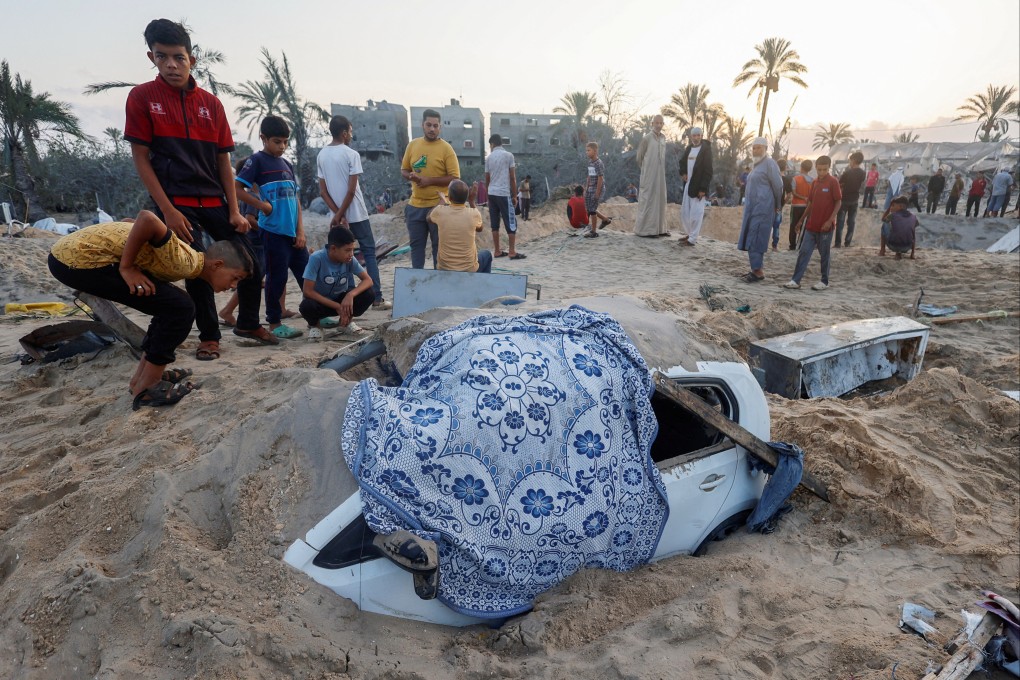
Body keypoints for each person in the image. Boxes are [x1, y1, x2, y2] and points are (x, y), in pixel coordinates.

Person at [124, 18, 273, 358]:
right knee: (198, 268)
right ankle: (210, 337)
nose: (171, 65)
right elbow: (141, 159)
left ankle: (248, 322)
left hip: (214, 200)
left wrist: (234, 210)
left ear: (192, 58)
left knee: (252, 265)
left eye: (179, 57)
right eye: (162, 57)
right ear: (152, 58)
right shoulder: (143, 97)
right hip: (174, 201)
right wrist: (169, 210)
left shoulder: (211, 104)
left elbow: (224, 162)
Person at [47, 211, 252, 408]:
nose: (233, 286)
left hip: (66, 255)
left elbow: (129, 222)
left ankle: (142, 379)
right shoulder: (184, 261)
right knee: (181, 309)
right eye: (235, 278)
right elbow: (146, 218)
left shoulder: (186, 257)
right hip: (77, 261)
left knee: (172, 306)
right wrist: (126, 267)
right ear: (217, 265)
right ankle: (147, 386)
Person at [236, 116, 308, 340]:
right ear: (263, 139)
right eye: (277, 142)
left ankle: (316, 315)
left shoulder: (287, 164)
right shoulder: (256, 161)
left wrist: (301, 230)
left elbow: (295, 198)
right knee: (277, 278)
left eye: (286, 142)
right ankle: (275, 322)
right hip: (273, 232)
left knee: (307, 274)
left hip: (293, 231)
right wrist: (262, 206)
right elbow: (237, 188)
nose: (282, 147)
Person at [317, 115, 391, 312]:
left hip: (336, 216)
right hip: (356, 213)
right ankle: (377, 298)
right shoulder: (351, 155)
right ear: (344, 133)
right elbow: (351, 190)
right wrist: (343, 213)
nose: (351, 135)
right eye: (350, 131)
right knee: (369, 252)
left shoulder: (322, 155)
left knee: (342, 255)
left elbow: (323, 191)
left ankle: (341, 296)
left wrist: (337, 214)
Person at [401, 109, 459, 268]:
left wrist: (429, 181)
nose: (432, 129)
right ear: (422, 125)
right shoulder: (412, 145)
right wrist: (411, 176)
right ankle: (418, 284)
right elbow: (404, 169)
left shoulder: (447, 149)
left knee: (438, 249)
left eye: (435, 126)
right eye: (429, 125)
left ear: (440, 127)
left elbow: (455, 178)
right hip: (415, 207)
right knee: (416, 249)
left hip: (438, 206)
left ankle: (438, 285)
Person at [300, 226, 374, 342]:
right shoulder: (317, 258)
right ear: (333, 249)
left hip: (341, 300)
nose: (351, 254)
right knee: (306, 306)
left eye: (352, 250)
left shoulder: (350, 259)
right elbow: (307, 291)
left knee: (369, 293)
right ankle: (316, 326)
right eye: (347, 250)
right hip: (322, 303)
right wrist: (337, 307)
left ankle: (346, 323)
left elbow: (368, 280)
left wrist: (350, 295)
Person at [784, 155, 842, 291]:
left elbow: (838, 202)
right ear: (815, 168)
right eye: (819, 170)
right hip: (811, 226)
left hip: (825, 227)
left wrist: (830, 220)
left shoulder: (833, 182)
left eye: (825, 170)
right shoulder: (815, 182)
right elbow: (810, 203)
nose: (822, 172)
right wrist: (801, 220)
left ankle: (824, 281)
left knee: (824, 254)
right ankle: (795, 280)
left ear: (829, 168)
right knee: (803, 252)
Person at [736, 137, 783, 282]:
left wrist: (777, 206)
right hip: (752, 208)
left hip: (763, 207)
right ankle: (755, 269)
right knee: (752, 237)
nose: (756, 150)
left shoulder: (770, 163)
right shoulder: (756, 165)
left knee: (757, 238)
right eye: (754, 147)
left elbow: (778, 186)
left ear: (765, 149)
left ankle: (758, 272)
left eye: (759, 147)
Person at [430, 179, 492, 273]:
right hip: (468, 269)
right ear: (466, 197)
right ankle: (481, 285)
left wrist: (442, 200)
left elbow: (428, 217)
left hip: (445, 268)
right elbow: (480, 228)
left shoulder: (440, 211)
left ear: (449, 198)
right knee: (487, 255)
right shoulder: (473, 213)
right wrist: (471, 201)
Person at [484, 133, 524, 259]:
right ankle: (512, 251)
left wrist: (487, 193)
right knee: (510, 221)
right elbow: (512, 177)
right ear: (501, 143)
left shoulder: (489, 158)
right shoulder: (508, 156)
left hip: (492, 193)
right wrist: (514, 196)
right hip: (503, 193)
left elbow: (487, 178)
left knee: (495, 223)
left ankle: (497, 251)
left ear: (492, 144)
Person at [677, 126, 714, 246]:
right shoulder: (689, 148)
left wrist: (703, 189)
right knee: (685, 212)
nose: (696, 137)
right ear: (691, 137)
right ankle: (689, 234)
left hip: (699, 187)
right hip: (688, 185)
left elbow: (708, 171)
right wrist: (683, 173)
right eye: (694, 135)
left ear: (701, 136)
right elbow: (682, 162)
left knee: (696, 214)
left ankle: (693, 239)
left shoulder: (706, 150)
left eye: (698, 135)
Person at [634, 114, 668, 237]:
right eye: (656, 123)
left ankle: (660, 229)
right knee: (648, 199)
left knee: (660, 198)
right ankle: (645, 231)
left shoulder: (663, 138)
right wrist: (646, 170)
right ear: (652, 124)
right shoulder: (647, 138)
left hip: (660, 175)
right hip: (649, 175)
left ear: (663, 124)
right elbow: (639, 157)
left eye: (661, 123)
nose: (658, 125)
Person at [835, 151, 865, 248]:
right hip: (855, 200)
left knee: (840, 222)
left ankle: (838, 243)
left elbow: (840, 184)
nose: (849, 162)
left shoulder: (847, 173)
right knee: (851, 222)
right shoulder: (863, 173)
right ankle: (847, 242)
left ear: (854, 160)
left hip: (844, 200)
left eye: (850, 160)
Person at [582, 142, 612, 238]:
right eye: (586, 150)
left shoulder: (598, 163)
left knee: (592, 210)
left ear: (595, 151)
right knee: (590, 208)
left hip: (597, 188)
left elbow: (600, 178)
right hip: (590, 188)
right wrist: (586, 188)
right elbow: (589, 176)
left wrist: (597, 192)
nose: (587, 152)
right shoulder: (590, 162)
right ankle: (605, 220)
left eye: (588, 150)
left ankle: (594, 232)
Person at [789, 159, 813, 250]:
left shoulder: (795, 179)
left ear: (801, 167)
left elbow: (794, 193)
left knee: (793, 225)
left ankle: (792, 245)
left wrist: (802, 198)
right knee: (804, 226)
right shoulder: (812, 181)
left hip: (796, 206)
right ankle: (801, 244)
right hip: (807, 207)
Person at [770, 159, 792, 252]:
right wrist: (784, 202)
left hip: (769, 205)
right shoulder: (786, 180)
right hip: (779, 206)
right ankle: (774, 246)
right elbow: (789, 194)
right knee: (776, 227)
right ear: (785, 167)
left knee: (765, 225)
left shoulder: (771, 178)